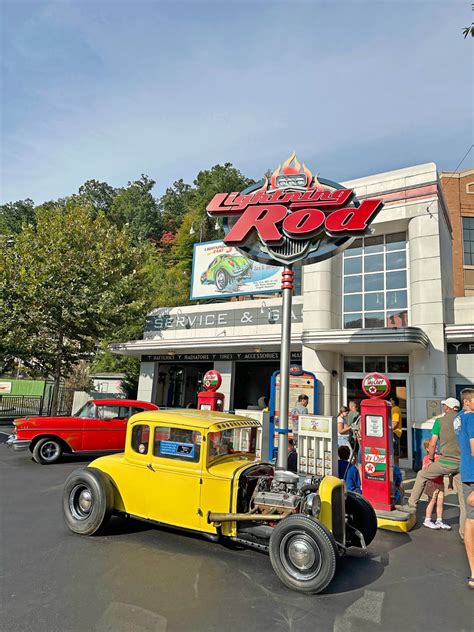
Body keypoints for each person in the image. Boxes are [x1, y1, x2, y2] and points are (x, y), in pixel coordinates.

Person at [400, 398, 465, 536]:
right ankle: (464, 533)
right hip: (461, 464)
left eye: (444, 406)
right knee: (463, 500)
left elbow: (432, 443)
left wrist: (430, 459)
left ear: (448, 408)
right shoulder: (464, 420)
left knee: (421, 474)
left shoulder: (440, 422)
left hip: (445, 462)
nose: (443, 408)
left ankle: (411, 506)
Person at [453, 388, 474, 589]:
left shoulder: (457, 419)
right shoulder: (472, 418)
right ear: (467, 402)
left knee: (470, 518)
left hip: (466, 471)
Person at [420, 439, 451, 530]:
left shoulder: (440, 458)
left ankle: (439, 520)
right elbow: (424, 470)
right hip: (432, 483)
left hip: (440, 483)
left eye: (436, 445)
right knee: (432, 501)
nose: (436, 447)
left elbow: (447, 469)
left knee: (440, 502)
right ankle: (427, 520)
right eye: (433, 446)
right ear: (427, 449)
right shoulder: (426, 458)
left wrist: (450, 483)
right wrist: (429, 464)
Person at [390, 397, 403, 463]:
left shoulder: (395, 409)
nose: (390, 401)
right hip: (396, 432)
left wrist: (389, 430)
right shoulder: (396, 409)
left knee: (394, 451)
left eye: (391, 400)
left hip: (395, 433)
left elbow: (395, 422)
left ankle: (395, 466)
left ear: (394, 402)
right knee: (395, 451)